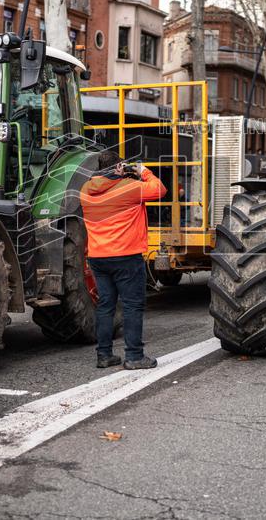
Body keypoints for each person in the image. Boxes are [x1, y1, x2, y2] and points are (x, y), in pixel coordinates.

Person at [79, 150, 166, 369]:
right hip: (126, 256)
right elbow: (159, 190)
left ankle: (104, 355)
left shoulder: (84, 191)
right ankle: (134, 357)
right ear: (118, 168)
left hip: (98, 258)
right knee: (132, 306)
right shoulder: (129, 187)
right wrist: (143, 171)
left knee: (106, 306)